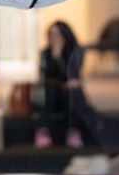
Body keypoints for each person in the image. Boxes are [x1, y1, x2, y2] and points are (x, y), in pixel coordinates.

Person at [34, 20, 86, 149]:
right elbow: (44, 77)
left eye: (57, 34)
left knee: (70, 93)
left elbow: (72, 76)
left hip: (68, 91)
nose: (54, 38)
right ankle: (44, 131)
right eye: (51, 34)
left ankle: (73, 132)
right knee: (48, 93)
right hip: (53, 89)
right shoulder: (45, 54)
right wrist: (54, 56)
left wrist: (59, 58)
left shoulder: (76, 52)